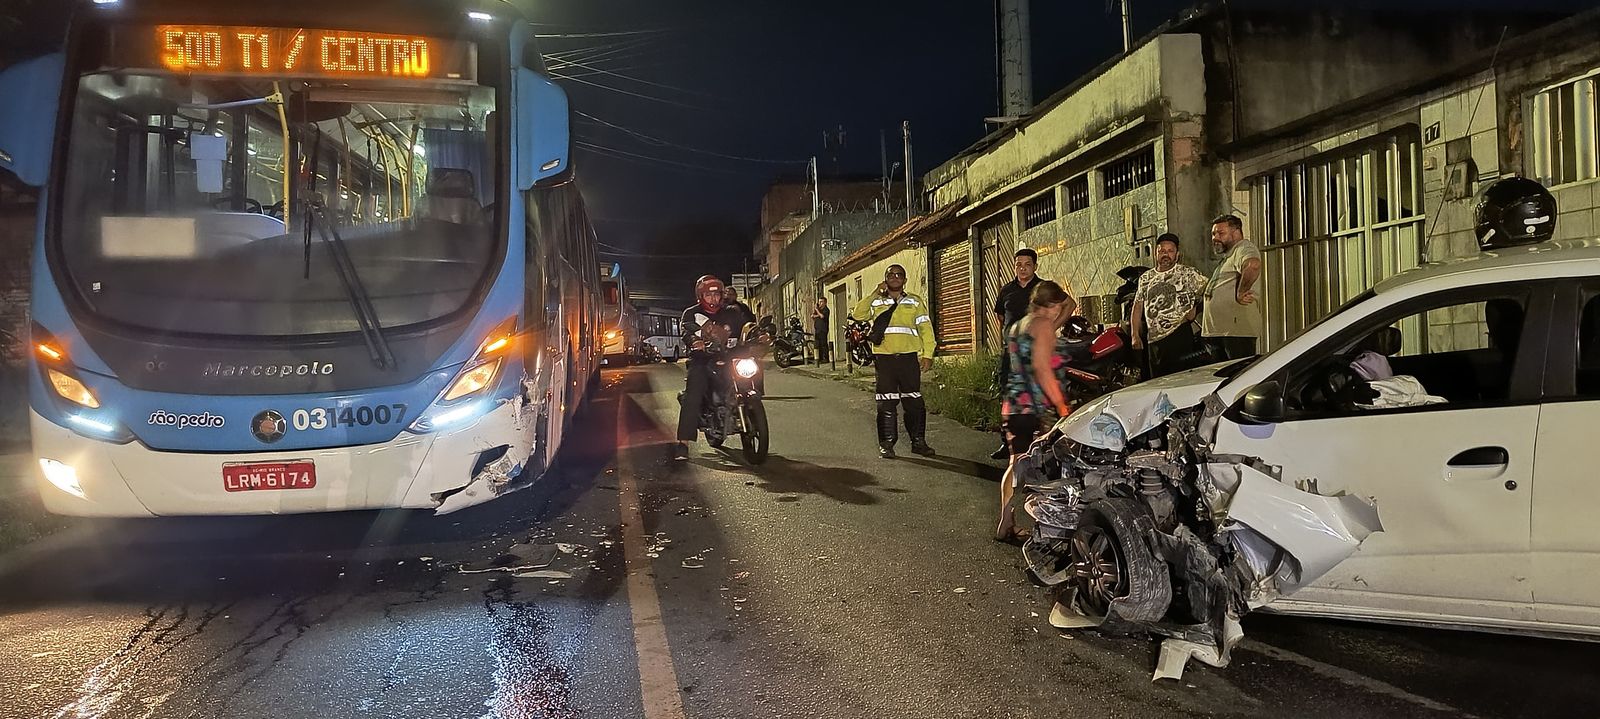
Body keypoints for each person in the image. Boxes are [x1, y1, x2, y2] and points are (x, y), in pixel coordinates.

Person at [996, 281, 1075, 542]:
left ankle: (1005, 522)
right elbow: (1042, 369)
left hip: (1014, 404)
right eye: (1058, 307)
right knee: (1043, 467)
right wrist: (1062, 406)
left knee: (1016, 463)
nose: (1059, 313)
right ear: (1050, 304)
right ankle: (1047, 529)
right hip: (1034, 407)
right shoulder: (1041, 325)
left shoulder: (1020, 324)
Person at [850, 264, 937, 459]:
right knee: (886, 403)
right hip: (885, 360)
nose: (895, 277)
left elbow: (926, 328)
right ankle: (887, 444)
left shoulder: (915, 302)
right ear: (885, 279)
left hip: (908, 359)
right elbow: (857, 314)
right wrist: (874, 292)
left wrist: (928, 354)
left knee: (914, 401)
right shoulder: (876, 302)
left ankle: (918, 443)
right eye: (891, 274)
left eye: (899, 275)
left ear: (905, 280)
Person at [989, 248, 1062, 460]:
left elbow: (1068, 304)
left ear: (1035, 266)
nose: (1022, 268)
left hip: (1037, 351)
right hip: (1012, 352)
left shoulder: (1043, 289)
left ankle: (1038, 445)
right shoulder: (1007, 290)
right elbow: (1000, 317)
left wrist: (1052, 326)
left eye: (1027, 264)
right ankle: (1009, 442)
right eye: (1018, 264)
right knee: (1008, 393)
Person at [672, 275, 753, 461]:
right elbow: (686, 331)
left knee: (749, 375)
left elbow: (745, 328)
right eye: (709, 295)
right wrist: (695, 341)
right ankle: (683, 444)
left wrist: (758, 334)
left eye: (717, 295)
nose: (714, 299)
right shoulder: (691, 313)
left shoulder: (731, 312)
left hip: (729, 357)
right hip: (702, 359)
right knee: (694, 392)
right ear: (701, 296)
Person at [1131, 233, 1206, 377]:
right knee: (1158, 382)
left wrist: (1196, 308)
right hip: (1154, 340)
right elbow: (1138, 306)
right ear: (1155, 253)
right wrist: (1135, 335)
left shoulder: (1187, 273)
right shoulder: (1146, 278)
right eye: (1162, 251)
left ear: (1177, 254)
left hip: (1180, 335)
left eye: (1170, 251)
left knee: (1183, 380)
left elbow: (1210, 291)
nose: (1166, 255)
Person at [1200, 215, 1263, 361]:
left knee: (1237, 376)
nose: (1215, 238)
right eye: (1213, 234)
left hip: (1235, 332)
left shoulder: (1243, 248)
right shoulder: (1229, 256)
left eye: (1221, 233)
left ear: (1235, 232)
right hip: (1220, 332)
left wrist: (1241, 292)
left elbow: (1253, 265)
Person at [810, 297, 831, 364]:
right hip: (817, 329)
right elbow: (813, 316)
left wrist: (817, 310)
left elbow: (822, 316)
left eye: (821, 302)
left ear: (825, 302)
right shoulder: (818, 310)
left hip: (823, 329)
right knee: (817, 344)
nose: (820, 303)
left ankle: (825, 358)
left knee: (823, 344)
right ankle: (819, 358)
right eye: (819, 302)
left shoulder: (826, 310)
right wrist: (815, 314)